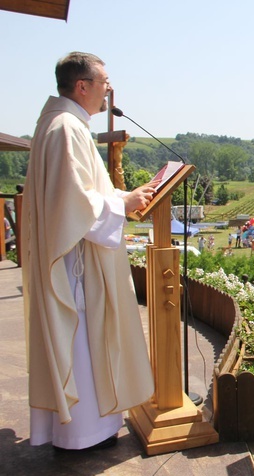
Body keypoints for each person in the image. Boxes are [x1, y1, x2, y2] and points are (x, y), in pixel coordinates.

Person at [23, 52, 155, 451]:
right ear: (82, 86)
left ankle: (88, 429)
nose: (107, 92)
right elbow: (73, 204)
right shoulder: (67, 128)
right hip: (76, 267)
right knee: (82, 343)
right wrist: (123, 205)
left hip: (75, 258)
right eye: (104, 84)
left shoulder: (61, 123)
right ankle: (82, 434)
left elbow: (83, 192)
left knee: (86, 343)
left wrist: (124, 196)